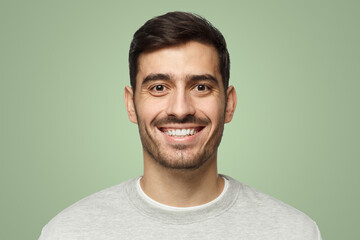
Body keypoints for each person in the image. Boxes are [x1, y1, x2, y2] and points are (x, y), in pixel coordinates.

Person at [39, 11, 321, 240]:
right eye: (159, 87)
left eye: (201, 86)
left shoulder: (294, 232)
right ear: (130, 104)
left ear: (229, 104)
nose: (180, 109)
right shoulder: (67, 233)